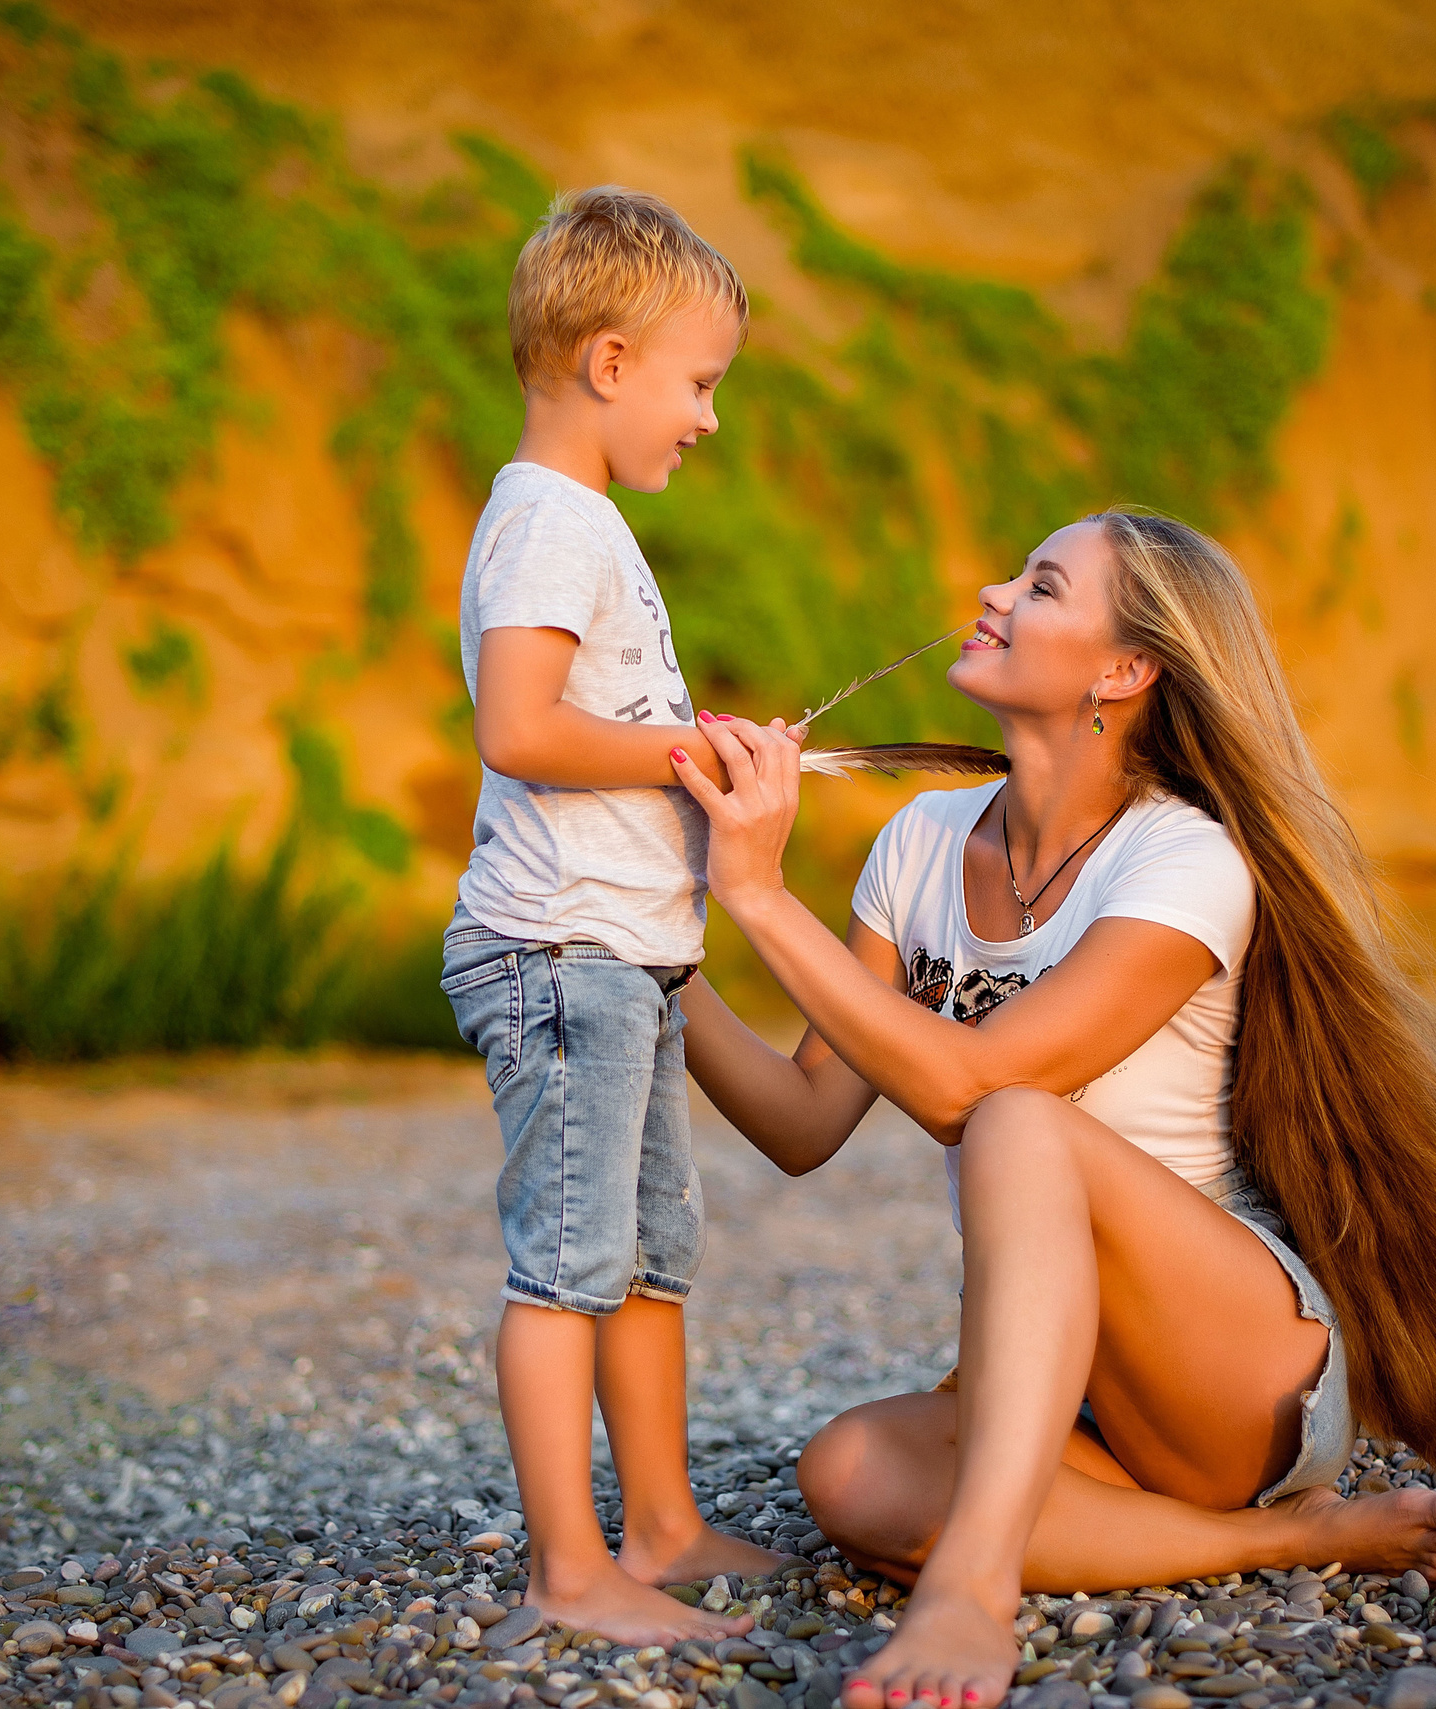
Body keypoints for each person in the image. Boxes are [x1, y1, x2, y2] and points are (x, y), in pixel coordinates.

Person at [670, 510, 1436, 1709]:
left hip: (1235, 1362)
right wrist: (659, 954)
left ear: (1122, 669)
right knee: (845, 1471)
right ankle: (1291, 1540)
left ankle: (974, 1585)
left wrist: (759, 893)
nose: (990, 591)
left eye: (1039, 584)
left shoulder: (1184, 860)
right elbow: (800, 1119)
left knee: (1016, 1115)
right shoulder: (919, 842)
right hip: (1080, 1388)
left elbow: (961, 1090)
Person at [441, 185, 789, 1645]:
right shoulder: (546, 526)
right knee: (569, 1265)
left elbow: (588, 715)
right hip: (558, 956)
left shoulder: (579, 524)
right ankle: (568, 1574)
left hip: (625, 962)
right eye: (698, 382)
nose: (706, 416)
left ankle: (659, 1525)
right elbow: (520, 730)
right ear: (605, 363)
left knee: (649, 1256)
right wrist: (672, 753)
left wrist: (686, 742)